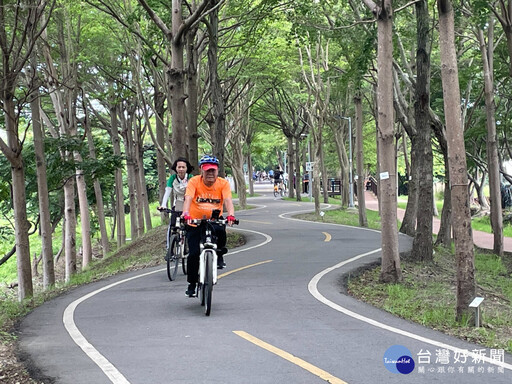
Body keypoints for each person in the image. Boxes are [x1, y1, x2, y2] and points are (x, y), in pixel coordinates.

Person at [182, 155, 236, 297]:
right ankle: (192, 284)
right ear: (201, 170)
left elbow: (228, 200)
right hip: (195, 221)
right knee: (193, 254)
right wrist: (186, 213)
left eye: (213, 170)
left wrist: (231, 214)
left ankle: (219, 255)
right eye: (207, 171)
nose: (210, 173)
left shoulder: (223, 183)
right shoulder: (194, 182)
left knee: (221, 231)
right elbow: (188, 198)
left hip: (213, 220)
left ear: (217, 171)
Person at [158, 157, 194, 231]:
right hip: (178, 203)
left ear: (187, 168)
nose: (181, 169)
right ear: (176, 168)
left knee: (191, 226)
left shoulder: (191, 178)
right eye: (179, 167)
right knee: (173, 223)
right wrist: (163, 205)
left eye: (183, 167)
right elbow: (168, 191)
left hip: (190, 203)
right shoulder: (172, 178)